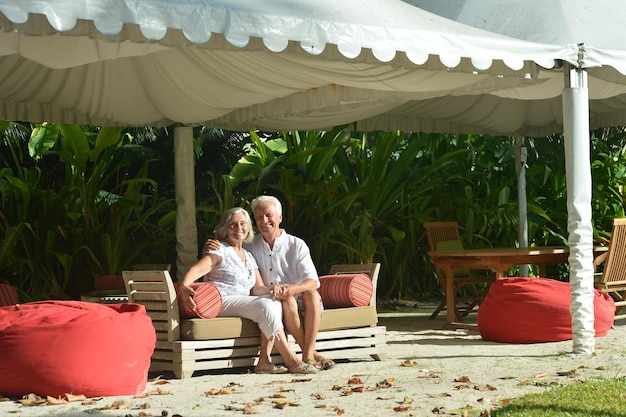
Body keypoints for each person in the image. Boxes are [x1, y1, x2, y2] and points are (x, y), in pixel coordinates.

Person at [179, 207, 317, 374]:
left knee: (272, 301)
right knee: (265, 305)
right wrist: (185, 285)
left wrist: (277, 290)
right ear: (225, 228)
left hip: (240, 301)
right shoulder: (219, 249)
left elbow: (258, 288)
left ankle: (264, 361)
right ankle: (291, 360)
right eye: (233, 225)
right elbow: (199, 269)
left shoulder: (248, 256)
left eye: (243, 224)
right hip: (221, 300)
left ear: (248, 228)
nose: (239, 228)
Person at [205, 196, 335, 370]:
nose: (264, 221)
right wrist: (211, 246)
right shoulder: (250, 245)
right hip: (271, 298)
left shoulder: (296, 244)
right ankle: (310, 356)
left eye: (268, 215)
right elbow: (229, 248)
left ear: (279, 218)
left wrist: (293, 289)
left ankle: (308, 354)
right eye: (259, 217)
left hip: (298, 297)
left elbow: (313, 281)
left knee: (311, 294)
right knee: (284, 300)